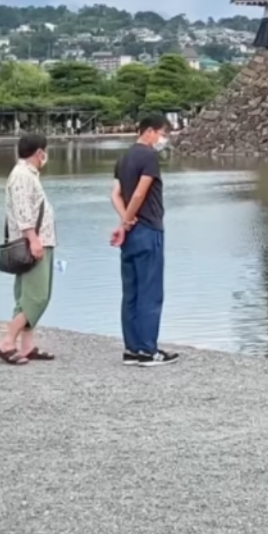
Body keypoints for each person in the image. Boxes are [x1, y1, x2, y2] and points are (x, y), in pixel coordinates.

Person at [110, 112, 178, 366]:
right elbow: (139, 194)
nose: (163, 139)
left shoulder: (124, 157)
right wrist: (127, 220)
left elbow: (115, 195)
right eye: (162, 133)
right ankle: (148, 350)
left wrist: (124, 222)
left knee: (131, 292)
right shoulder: (149, 156)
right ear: (149, 131)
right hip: (148, 230)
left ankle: (132, 349)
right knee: (150, 291)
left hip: (130, 235)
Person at [0, 132, 56, 365]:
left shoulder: (28, 174)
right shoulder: (22, 175)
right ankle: (7, 341)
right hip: (33, 243)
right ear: (39, 152)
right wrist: (33, 239)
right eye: (44, 151)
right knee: (36, 296)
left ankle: (27, 346)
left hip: (39, 241)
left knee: (28, 296)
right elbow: (23, 212)